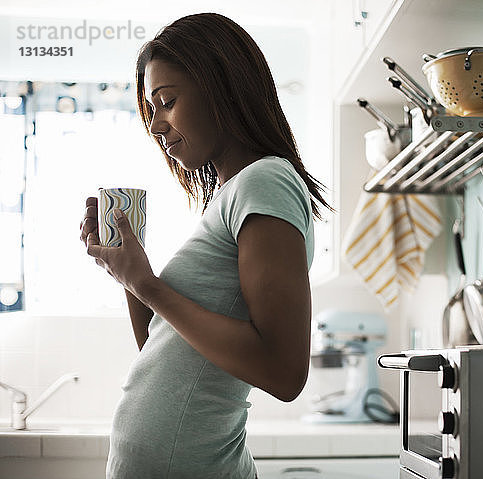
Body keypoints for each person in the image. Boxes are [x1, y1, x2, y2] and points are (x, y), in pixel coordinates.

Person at [79, 13, 334, 479]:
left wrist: (147, 285)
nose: (156, 125)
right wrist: (129, 276)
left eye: (166, 101)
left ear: (224, 84)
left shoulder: (266, 179)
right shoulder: (232, 194)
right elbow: (163, 348)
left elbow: (284, 371)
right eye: (151, 110)